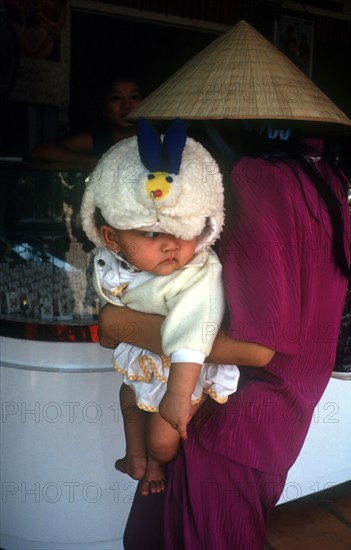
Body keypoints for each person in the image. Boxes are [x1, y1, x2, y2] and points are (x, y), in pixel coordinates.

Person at [97, 20, 351, 550]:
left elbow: (259, 347)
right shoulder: (322, 175)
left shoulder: (255, 181)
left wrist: (118, 322)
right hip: (274, 417)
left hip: (234, 422)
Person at [80, 118, 239, 497]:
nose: (171, 246)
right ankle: (135, 457)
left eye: (182, 231)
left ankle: (154, 462)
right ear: (112, 238)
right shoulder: (112, 258)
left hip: (185, 366)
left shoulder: (198, 272)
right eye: (151, 233)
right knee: (128, 396)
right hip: (147, 358)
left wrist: (179, 395)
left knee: (163, 441)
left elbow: (195, 326)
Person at [30, 75, 143, 166]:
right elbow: (40, 152)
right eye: (116, 98)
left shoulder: (157, 137)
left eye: (133, 97)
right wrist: (94, 160)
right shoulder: (97, 139)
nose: (126, 105)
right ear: (104, 108)